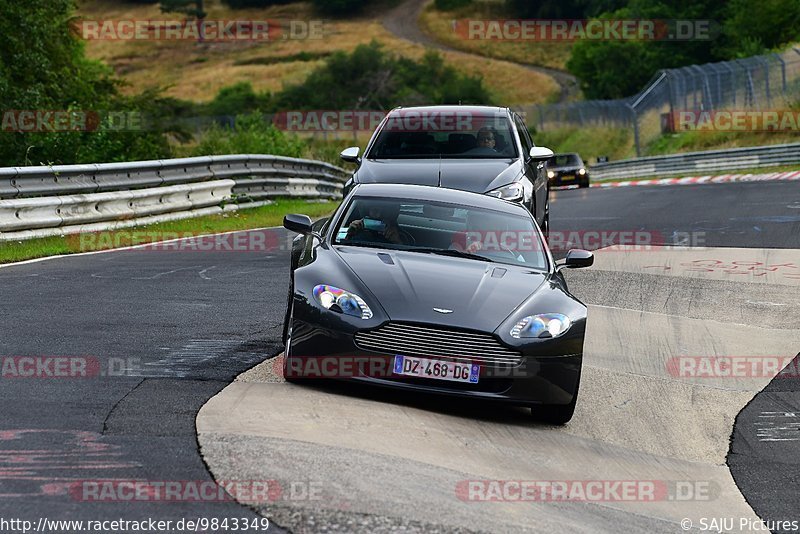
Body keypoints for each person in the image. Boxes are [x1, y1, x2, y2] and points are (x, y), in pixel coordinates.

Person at [346, 203, 413, 245]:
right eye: (375, 210)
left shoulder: (402, 236)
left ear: (392, 214)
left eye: (384, 211)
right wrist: (349, 234)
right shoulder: (357, 230)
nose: (378, 215)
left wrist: (397, 241)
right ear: (367, 211)